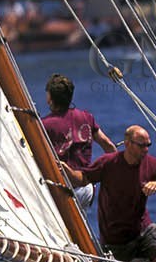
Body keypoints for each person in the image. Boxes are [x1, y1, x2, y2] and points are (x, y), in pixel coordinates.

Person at [65, 125, 156, 262]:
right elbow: (83, 179)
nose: (145, 149)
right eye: (141, 145)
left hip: (142, 231)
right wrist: (66, 171)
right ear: (127, 143)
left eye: (148, 145)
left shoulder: (153, 165)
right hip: (115, 238)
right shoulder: (108, 163)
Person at [41, 73, 116, 215]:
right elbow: (109, 147)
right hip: (86, 188)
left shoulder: (44, 125)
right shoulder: (86, 117)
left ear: (50, 98)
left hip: (63, 189)